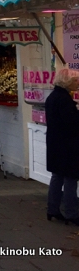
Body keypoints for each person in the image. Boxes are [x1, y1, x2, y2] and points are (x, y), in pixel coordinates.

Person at [45, 68, 79, 225]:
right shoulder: (64, 100)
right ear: (67, 82)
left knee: (57, 175)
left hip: (54, 143)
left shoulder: (52, 97)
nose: (77, 83)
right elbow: (71, 124)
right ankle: (72, 213)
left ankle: (52, 209)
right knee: (71, 178)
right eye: (75, 80)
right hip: (67, 145)